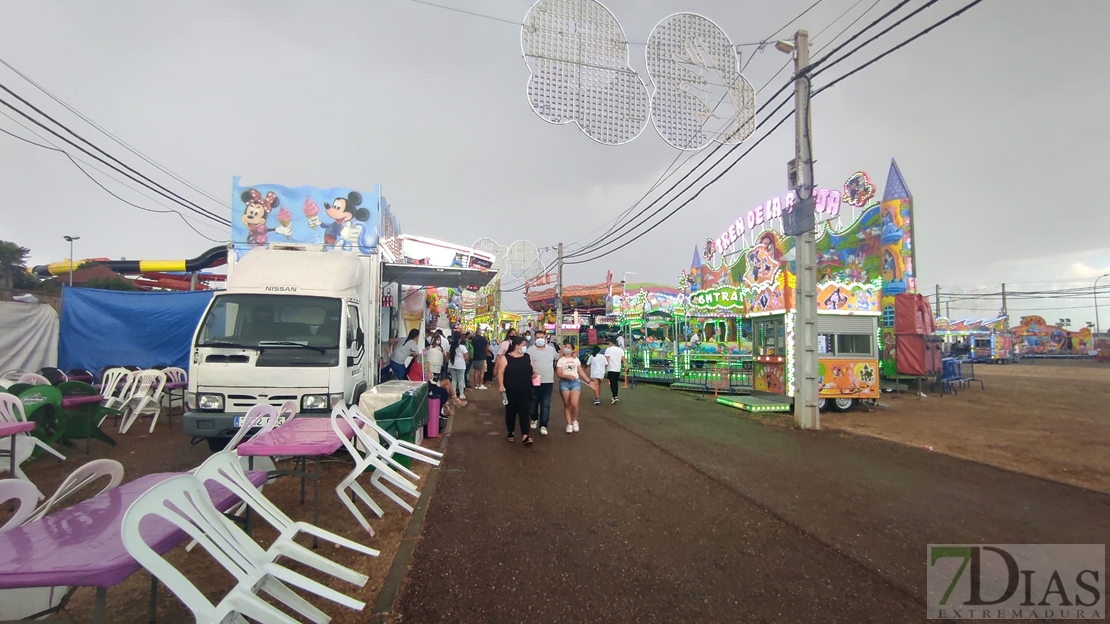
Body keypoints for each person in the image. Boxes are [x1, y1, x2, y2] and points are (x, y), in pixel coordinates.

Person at [495, 336, 535, 445]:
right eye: (523, 345)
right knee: (511, 411)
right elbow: (500, 372)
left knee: (524, 412)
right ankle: (510, 431)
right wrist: (501, 385)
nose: (525, 348)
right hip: (510, 389)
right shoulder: (506, 358)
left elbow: (532, 369)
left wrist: (535, 374)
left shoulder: (527, 357)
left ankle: (525, 435)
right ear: (517, 346)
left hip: (525, 388)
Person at [527, 332, 557, 435]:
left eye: (542, 337)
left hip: (548, 381)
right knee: (533, 402)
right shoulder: (530, 350)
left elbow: (558, 358)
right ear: (534, 339)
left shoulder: (551, 350)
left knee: (545, 404)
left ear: (545, 338)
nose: (540, 339)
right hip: (534, 380)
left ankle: (544, 425)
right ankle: (534, 418)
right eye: (538, 337)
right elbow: (527, 364)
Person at [556, 343, 584, 433]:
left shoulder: (576, 359)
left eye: (569, 347)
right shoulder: (561, 360)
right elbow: (558, 374)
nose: (567, 349)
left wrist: (589, 381)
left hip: (575, 383)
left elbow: (581, 371)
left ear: (572, 350)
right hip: (564, 383)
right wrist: (567, 376)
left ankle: (574, 420)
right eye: (566, 347)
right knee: (566, 404)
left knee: (574, 404)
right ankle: (569, 424)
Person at [603, 336, 626, 404]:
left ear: (610, 342)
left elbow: (606, 359)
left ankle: (614, 396)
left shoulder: (608, 349)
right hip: (617, 369)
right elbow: (623, 359)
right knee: (615, 382)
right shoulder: (620, 350)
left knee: (612, 383)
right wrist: (626, 366)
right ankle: (615, 396)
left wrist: (605, 366)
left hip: (610, 369)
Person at [448, 334, 469, 400]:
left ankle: (453, 394)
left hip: (452, 365)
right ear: (459, 339)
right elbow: (466, 356)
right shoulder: (462, 347)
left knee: (454, 380)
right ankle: (461, 394)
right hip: (460, 365)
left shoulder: (450, 346)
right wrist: (466, 362)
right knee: (460, 380)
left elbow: (448, 355)